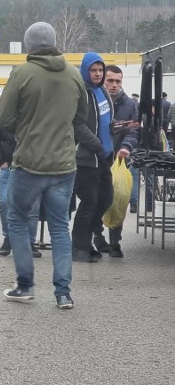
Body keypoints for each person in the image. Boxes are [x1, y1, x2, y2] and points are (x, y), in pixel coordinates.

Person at [0, 21, 87, 309]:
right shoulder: (74, 74)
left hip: (29, 162)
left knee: (19, 222)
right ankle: (63, 293)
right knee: (60, 227)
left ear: (28, 46)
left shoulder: (22, 73)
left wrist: (27, 125)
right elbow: (80, 118)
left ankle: (25, 285)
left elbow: (3, 119)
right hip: (64, 164)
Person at [71, 51, 114, 263]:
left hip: (104, 158)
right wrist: (96, 144)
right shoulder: (82, 93)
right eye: (93, 70)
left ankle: (87, 242)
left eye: (100, 70)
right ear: (85, 71)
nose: (98, 74)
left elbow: (105, 120)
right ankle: (79, 247)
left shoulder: (102, 91)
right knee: (89, 202)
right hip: (86, 159)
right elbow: (77, 124)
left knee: (106, 199)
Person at [93, 65, 138, 258]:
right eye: (110, 80)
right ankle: (97, 235)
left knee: (118, 199)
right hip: (96, 159)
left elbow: (134, 131)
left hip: (119, 160)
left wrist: (126, 147)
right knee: (94, 201)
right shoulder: (94, 100)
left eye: (118, 81)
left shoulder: (130, 105)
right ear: (103, 80)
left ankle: (114, 242)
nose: (114, 85)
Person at [0, 104, 41, 258]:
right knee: (5, 203)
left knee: (32, 206)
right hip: (9, 165)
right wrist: (1, 161)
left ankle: (30, 242)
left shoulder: (36, 106)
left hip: (32, 166)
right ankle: (9, 237)